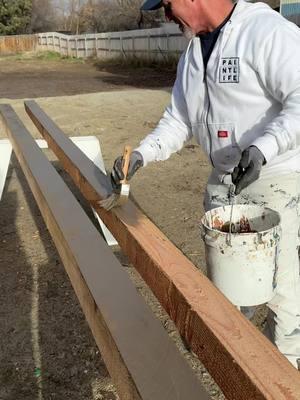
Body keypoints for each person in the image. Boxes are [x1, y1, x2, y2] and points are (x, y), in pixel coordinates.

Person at [109, 0, 300, 369]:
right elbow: (178, 120)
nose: (165, 15)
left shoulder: (264, 32)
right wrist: (143, 155)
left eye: (167, 4)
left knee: (283, 299)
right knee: (226, 301)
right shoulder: (194, 54)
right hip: (225, 184)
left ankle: (285, 379)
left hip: (274, 178)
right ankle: (237, 374)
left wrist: (264, 147)